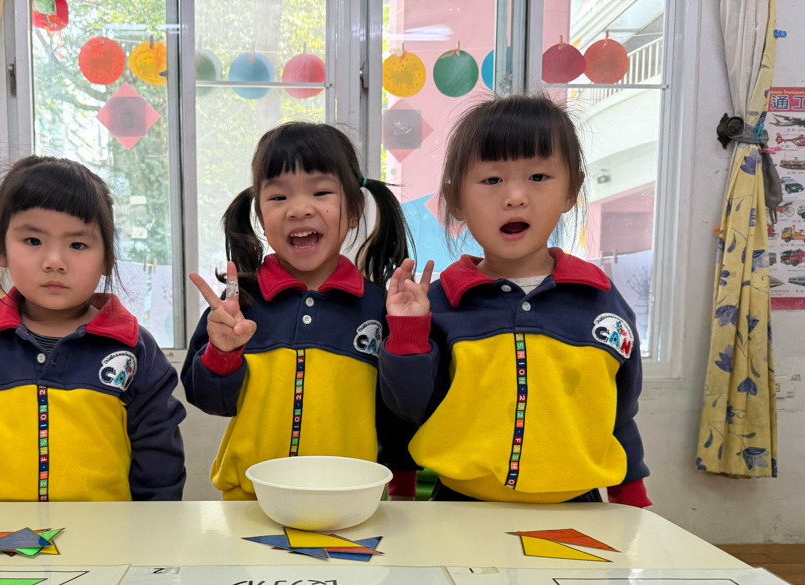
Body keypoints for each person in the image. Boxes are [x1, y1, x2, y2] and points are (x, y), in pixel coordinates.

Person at [380, 94, 650, 506]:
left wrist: (632, 498)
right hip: (459, 508)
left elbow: (619, 412)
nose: (516, 196)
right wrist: (407, 335)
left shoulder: (600, 299)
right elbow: (410, 410)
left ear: (571, 191)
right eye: (492, 180)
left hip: (578, 510)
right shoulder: (438, 304)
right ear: (455, 200)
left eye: (539, 176)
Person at [0, 156, 186, 502]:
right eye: (34, 241)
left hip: (104, 533)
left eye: (78, 245)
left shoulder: (132, 347)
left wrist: (152, 527)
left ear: (106, 259)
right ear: (1, 251)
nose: (54, 262)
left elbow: (159, 462)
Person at [182, 121, 417, 500]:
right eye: (278, 197)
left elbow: (399, 415)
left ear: (354, 210)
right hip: (248, 503)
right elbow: (210, 401)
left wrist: (403, 491)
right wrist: (223, 354)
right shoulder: (238, 304)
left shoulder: (378, 307)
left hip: (350, 503)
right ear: (260, 217)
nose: (299, 209)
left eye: (321, 192)